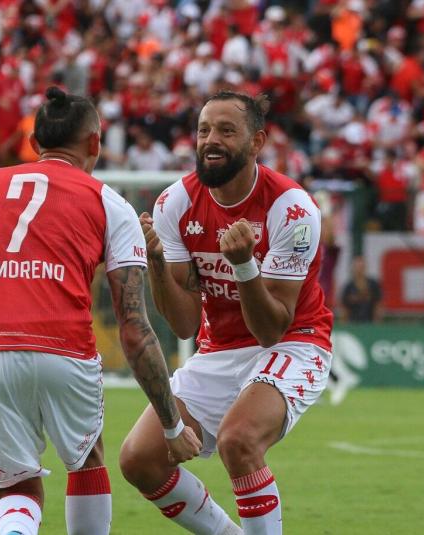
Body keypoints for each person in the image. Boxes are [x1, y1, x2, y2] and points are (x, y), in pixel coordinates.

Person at [0, 87, 201, 535]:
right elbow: (134, 328)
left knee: (16, 490)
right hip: (64, 349)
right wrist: (171, 426)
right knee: (87, 460)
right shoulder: (110, 202)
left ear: (34, 144)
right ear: (95, 143)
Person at [121, 91, 334, 535]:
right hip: (219, 347)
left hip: (295, 343)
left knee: (239, 440)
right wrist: (157, 262)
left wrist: (243, 266)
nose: (210, 140)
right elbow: (183, 324)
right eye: (203, 130)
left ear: (257, 142)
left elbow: (272, 328)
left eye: (226, 130)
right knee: (140, 459)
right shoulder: (174, 203)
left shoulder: (292, 209)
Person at [341, 256, 382, 323]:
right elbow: (344, 308)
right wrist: (344, 322)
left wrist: (377, 321)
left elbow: (377, 305)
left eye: (361, 267)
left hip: (370, 322)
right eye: (357, 267)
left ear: (365, 268)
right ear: (353, 269)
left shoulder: (373, 285)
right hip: (353, 322)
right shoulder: (348, 287)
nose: (359, 270)